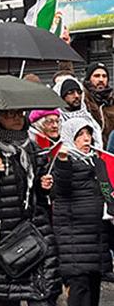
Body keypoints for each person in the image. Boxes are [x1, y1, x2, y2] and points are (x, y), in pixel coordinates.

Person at [0, 110, 61, 305]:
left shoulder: (32, 147)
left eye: (19, 114)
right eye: (10, 115)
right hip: (2, 239)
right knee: (3, 298)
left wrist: (46, 186)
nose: (17, 118)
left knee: (43, 296)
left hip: (35, 233)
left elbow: (44, 194)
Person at [52, 117, 113, 306]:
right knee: (80, 292)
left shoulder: (97, 162)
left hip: (96, 239)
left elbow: (105, 191)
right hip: (75, 242)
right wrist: (62, 161)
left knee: (93, 292)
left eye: (88, 134)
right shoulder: (62, 162)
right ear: (70, 138)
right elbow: (60, 189)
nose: (87, 139)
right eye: (80, 135)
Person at [54, 74, 104, 147]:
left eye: (79, 92)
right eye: (70, 93)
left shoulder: (90, 119)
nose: (77, 96)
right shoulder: (56, 121)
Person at [83, 63, 114, 142]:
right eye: (96, 76)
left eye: (104, 76)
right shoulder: (83, 99)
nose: (101, 79)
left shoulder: (111, 99)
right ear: (89, 78)